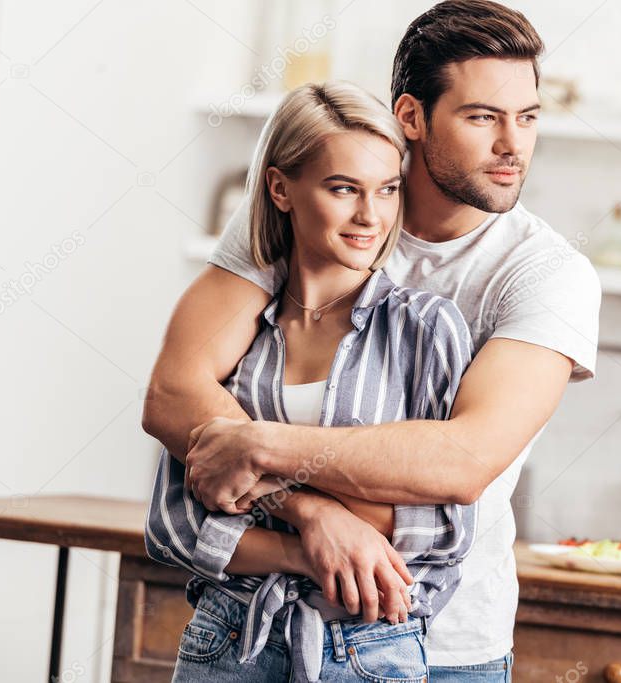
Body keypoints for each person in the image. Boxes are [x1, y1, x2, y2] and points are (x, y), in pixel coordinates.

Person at [143, 1, 602, 679]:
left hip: (441, 643)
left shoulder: (546, 274)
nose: (513, 145)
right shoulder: (315, 215)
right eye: (482, 117)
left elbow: (460, 460)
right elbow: (174, 396)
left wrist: (258, 442)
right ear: (411, 116)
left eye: (527, 117)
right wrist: (311, 513)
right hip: (249, 622)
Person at [145, 80, 477, 682]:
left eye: (387, 189)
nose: (370, 216)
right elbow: (175, 523)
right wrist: (313, 530)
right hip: (230, 636)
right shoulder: (240, 331)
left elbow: (438, 531)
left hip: (371, 648)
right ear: (280, 188)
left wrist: (261, 499)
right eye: (343, 188)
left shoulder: (426, 330)